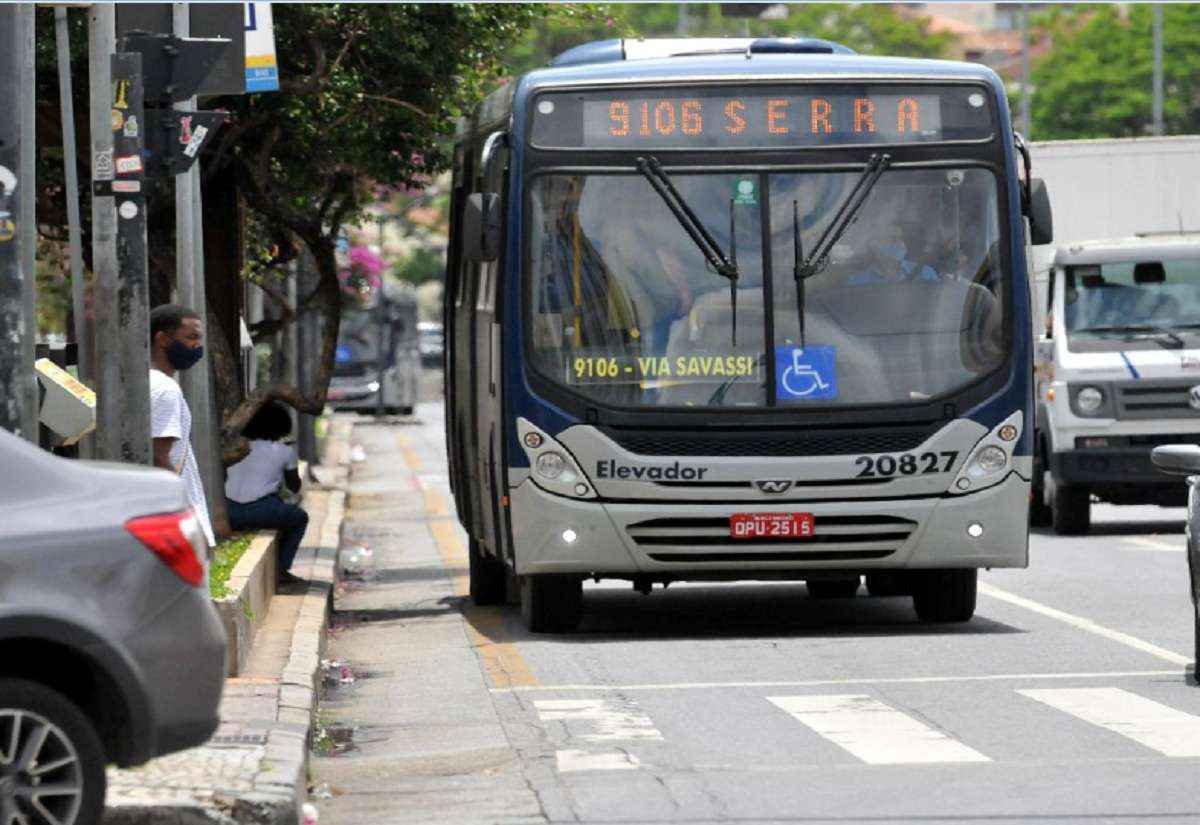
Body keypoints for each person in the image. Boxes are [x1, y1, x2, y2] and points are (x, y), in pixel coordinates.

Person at [150, 304, 215, 549]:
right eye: (191, 337)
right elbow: (160, 458)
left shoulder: (144, 381)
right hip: (176, 526)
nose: (197, 346)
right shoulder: (166, 389)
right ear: (163, 339)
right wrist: (184, 517)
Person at [224, 402, 309, 586]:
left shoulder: (235, 448)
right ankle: (282, 568)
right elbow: (294, 486)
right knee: (299, 518)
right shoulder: (285, 451)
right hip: (262, 510)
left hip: (230, 512)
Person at [848, 224, 940, 285]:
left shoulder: (926, 273)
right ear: (874, 245)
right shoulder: (858, 282)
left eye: (902, 239)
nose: (900, 244)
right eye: (893, 239)